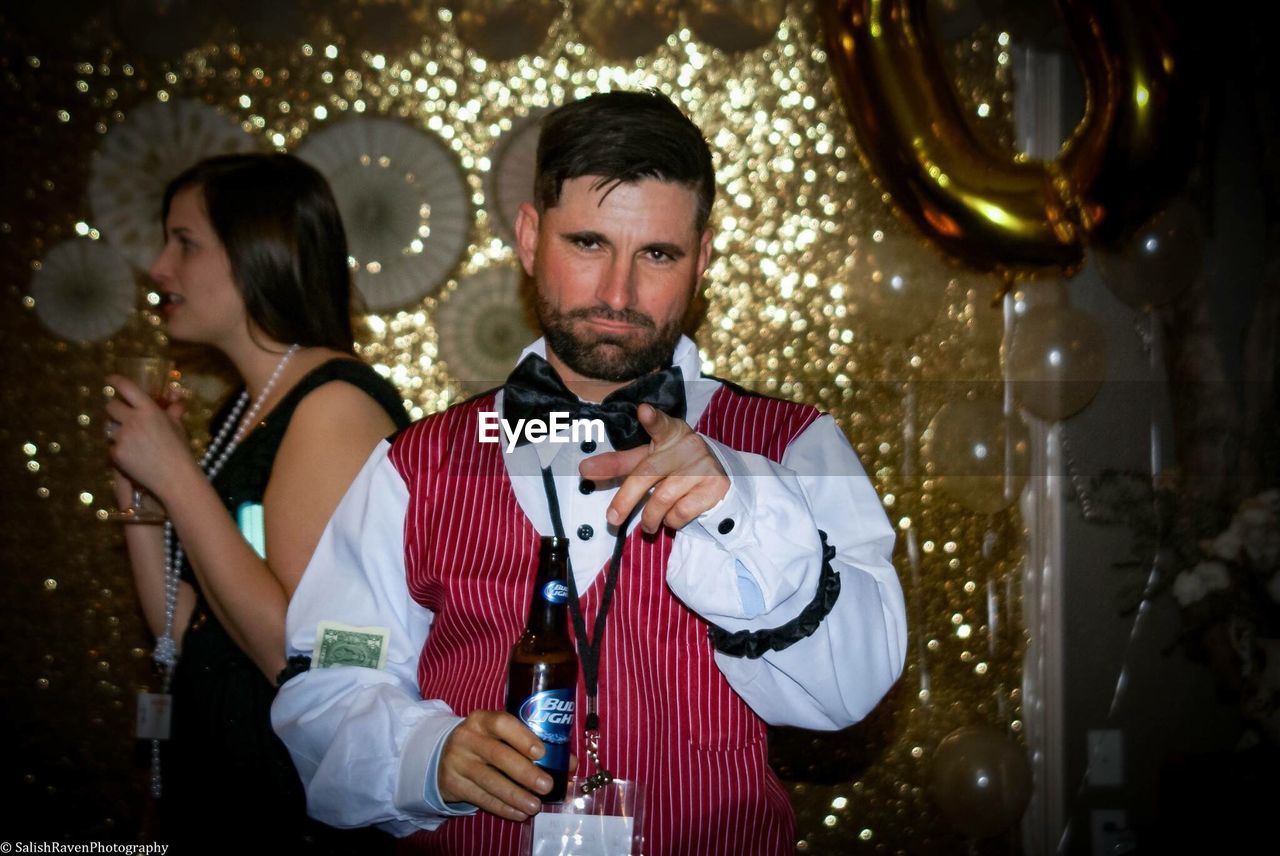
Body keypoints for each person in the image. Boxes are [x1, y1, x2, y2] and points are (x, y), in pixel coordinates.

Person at [272, 90, 906, 855]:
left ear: (702, 261)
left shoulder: (796, 448)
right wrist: (426, 753)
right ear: (531, 237)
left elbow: (850, 692)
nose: (617, 294)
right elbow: (325, 684)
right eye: (588, 244)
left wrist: (738, 503)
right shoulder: (416, 464)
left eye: (658, 255)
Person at [106, 153, 408, 852]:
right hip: (219, 772)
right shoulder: (247, 409)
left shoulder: (333, 404)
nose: (159, 268)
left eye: (185, 243)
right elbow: (183, 639)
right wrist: (141, 500)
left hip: (283, 800)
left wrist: (178, 478)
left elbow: (294, 652)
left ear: (260, 252)